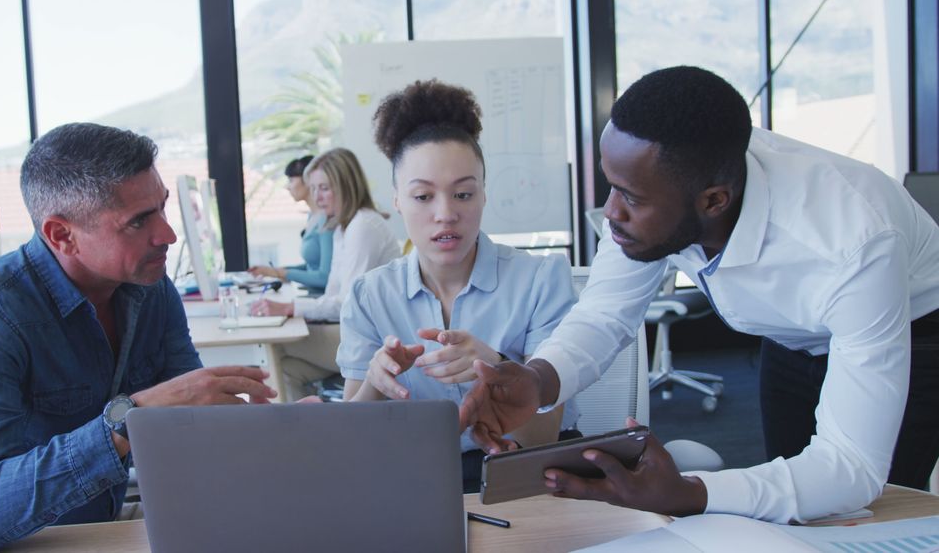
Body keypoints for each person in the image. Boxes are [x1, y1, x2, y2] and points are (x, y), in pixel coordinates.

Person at [459, 66, 939, 524]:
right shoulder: (671, 183)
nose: (610, 212)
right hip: (791, 334)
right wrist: (540, 380)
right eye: (611, 185)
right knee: (795, 507)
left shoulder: (853, 243)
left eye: (631, 197)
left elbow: (852, 468)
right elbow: (605, 312)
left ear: (714, 201)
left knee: (871, 512)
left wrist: (691, 494)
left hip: (912, 328)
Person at [0, 123, 277, 551]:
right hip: (5, 542)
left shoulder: (152, 289)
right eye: (139, 221)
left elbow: (189, 425)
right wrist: (130, 416)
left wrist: (274, 436)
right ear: (61, 235)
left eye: (161, 208)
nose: (168, 235)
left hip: (100, 525)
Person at [338, 79, 580, 492]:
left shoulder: (541, 279)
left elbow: (544, 439)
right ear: (396, 199)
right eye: (422, 197)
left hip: (525, 478)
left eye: (463, 194)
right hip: (416, 480)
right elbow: (352, 440)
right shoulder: (369, 296)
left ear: (484, 194)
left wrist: (500, 368)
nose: (445, 214)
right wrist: (377, 385)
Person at [251, 148, 400, 399]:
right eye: (314, 188)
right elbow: (333, 293)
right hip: (355, 332)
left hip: (375, 340)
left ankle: (292, 433)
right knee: (285, 370)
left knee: (275, 345)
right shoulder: (344, 227)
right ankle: (302, 435)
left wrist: (290, 308)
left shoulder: (363, 227)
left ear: (345, 186)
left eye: (324, 188)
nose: (316, 197)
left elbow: (346, 305)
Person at [248, 155, 333, 295]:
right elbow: (312, 267)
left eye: (291, 180)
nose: (288, 186)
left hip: (322, 302)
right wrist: (275, 272)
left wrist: (281, 272)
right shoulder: (312, 217)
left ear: (307, 179)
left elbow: (324, 277)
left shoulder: (326, 220)